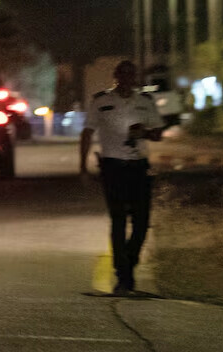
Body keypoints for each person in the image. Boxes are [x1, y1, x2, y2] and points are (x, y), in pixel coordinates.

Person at [79, 59, 165, 296]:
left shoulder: (145, 102)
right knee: (118, 221)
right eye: (123, 74)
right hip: (113, 167)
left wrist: (144, 132)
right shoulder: (101, 101)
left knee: (141, 222)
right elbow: (87, 132)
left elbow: (158, 134)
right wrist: (83, 168)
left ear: (135, 78)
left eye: (131, 75)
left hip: (139, 166)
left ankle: (129, 262)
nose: (127, 79)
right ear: (116, 77)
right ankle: (123, 276)